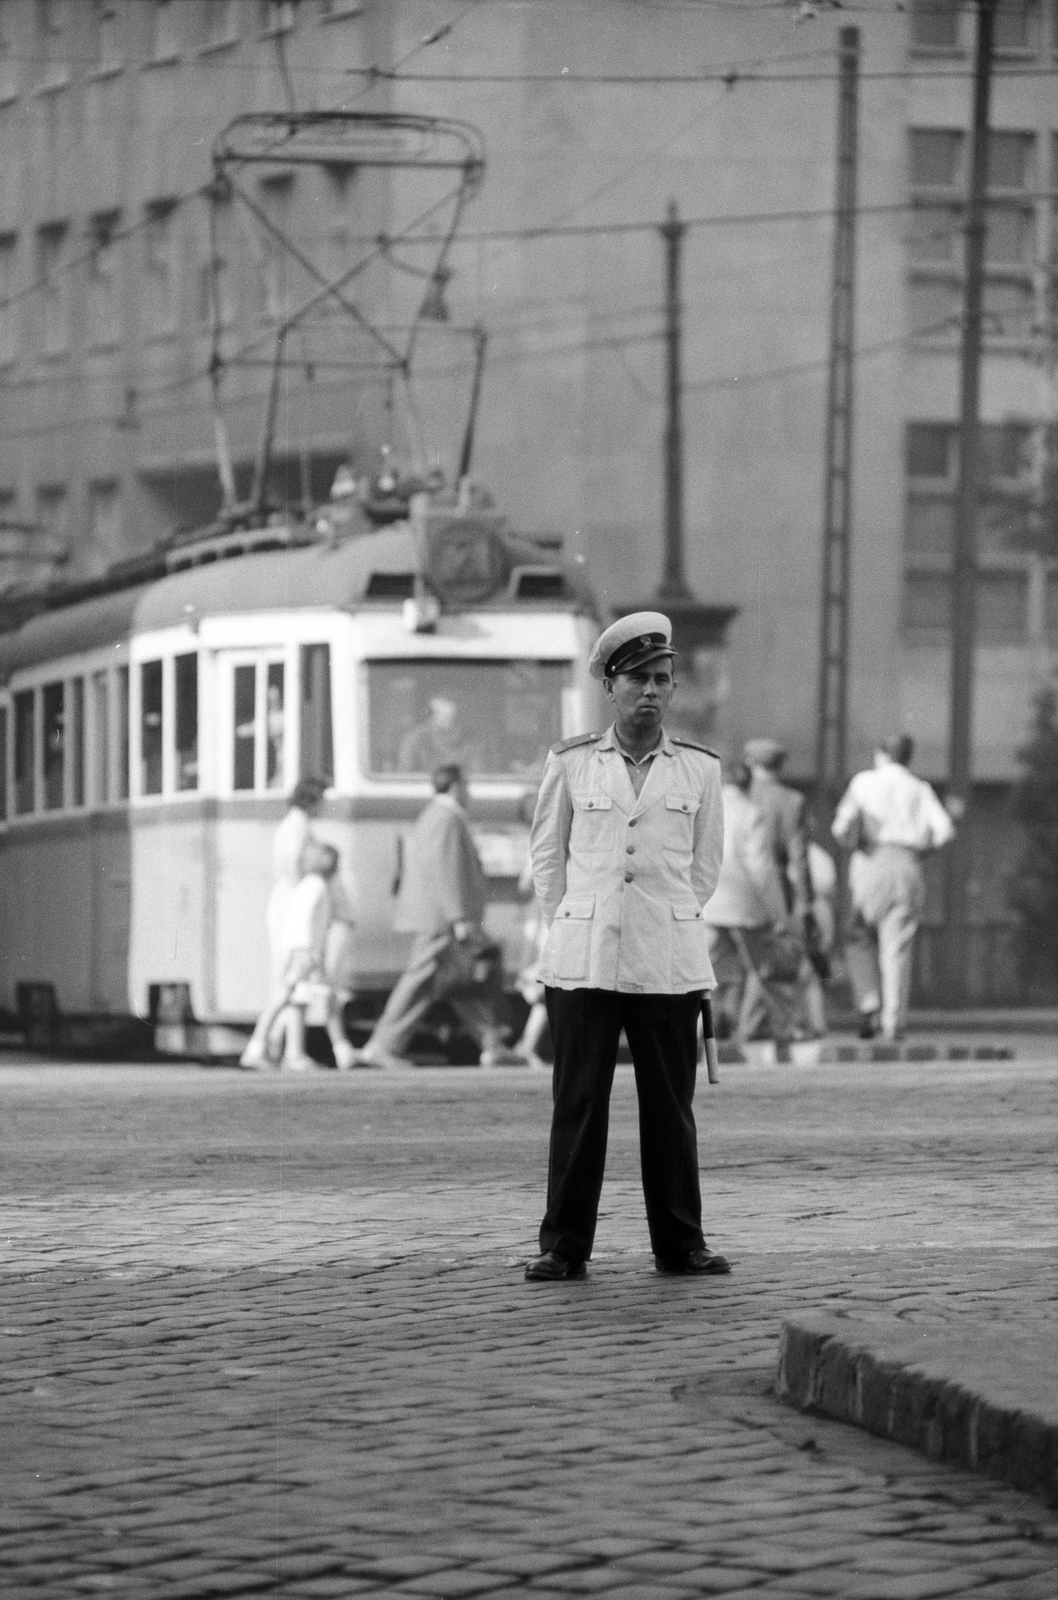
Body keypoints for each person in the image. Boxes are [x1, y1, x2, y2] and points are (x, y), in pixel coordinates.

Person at [524, 611, 730, 1283]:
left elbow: (704, 868)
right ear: (610, 686)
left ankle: (681, 1243)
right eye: (638, 679)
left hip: (666, 961)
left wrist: (663, 919)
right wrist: (574, 921)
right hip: (583, 959)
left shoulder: (698, 771)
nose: (651, 692)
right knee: (578, 1104)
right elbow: (547, 860)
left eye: (662, 680)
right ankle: (563, 1246)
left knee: (670, 1109)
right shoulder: (573, 762)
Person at [357, 764, 524, 1070]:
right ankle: (382, 1045)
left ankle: (492, 1045)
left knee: (466, 981)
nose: (470, 794)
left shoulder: (437, 816)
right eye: (468, 787)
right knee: (424, 980)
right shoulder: (447, 818)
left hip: (441, 916)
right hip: (442, 919)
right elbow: (445, 869)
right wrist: (459, 916)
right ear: (456, 786)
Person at [832, 733, 955, 1042]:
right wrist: (920, 852)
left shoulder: (863, 782)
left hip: (869, 861)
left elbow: (840, 826)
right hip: (908, 864)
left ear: (880, 753)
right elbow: (945, 831)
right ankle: (893, 1021)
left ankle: (869, 1002)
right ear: (908, 757)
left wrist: (853, 842)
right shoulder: (920, 788)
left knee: (858, 936)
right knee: (896, 946)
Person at [247, 840, 359, 1072]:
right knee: (293, 998)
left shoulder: (310, 884)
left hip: (303, 952)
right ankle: (256, 1049)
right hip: (305, 954)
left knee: (300, 999)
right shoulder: (316, 886)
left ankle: (338, 1053)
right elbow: (302, 920)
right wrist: (308, 952)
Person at [241, 776, 329, 1069]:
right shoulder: (298, 826)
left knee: (293, 984)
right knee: (289, 981)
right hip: (292, 910)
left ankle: (288, 1048)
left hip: (292, 907)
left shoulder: (295, 823)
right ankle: (275, 1046)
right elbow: (292, 865)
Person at [744, 736, 827, 1040]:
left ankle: (742, 1024)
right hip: (775, 886)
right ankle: (758, 1024)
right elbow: (799, 857)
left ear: (750, 763)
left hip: (736, 883)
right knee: (771, 954)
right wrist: (805, 902)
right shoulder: (792, 800)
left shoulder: (741, 796)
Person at [702, 761, 790, 1044]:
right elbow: (761, 868)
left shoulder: (703, 812)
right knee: (762, 970)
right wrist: (778, 912)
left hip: (708, 906)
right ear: (748, 784)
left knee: (708, 973)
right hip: (743, 907)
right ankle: (771, 1027)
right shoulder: (751, 813)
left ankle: (705, 1031)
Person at [398, 695, 475, 775]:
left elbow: (478, 778)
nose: (449, 708)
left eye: (453, 702)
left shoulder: (470, 740)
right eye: (444, 702)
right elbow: (404, 779)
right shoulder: (414, 739)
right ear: (433, 704)